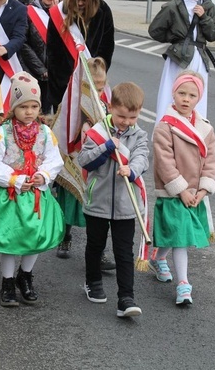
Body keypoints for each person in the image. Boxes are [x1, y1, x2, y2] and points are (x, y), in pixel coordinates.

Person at [0, 72, 65, 307]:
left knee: (34, 237)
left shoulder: (45, 132)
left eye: (34, 106)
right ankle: (7, 281)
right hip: (10, 196)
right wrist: (13, 179)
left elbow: (54, 159)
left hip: (34, 194)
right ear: (14, 107)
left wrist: (42, 174)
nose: (30, 111)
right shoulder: (2, 133)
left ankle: (26, 275)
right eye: (24, 106)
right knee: (11, 239)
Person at [78, 82, 149, 317]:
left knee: (123, 251)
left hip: (126, 204)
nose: (126, 122)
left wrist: (132, 170)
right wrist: (106, 148)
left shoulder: (139, 135)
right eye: (121, 116)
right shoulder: (98, 132)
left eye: (132, 117)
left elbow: (141, 158)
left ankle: (126, 298)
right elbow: (85, 160)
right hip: (97, 200)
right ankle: (93, 281)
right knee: (95, 245)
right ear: (110, 108)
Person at [150, 71, 215, 306]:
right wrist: (181, 189)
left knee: (177, 234)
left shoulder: (206, 128)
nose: (186, 99)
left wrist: (203, 189)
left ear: (199, 98)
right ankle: (184, 284)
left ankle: (158, 257)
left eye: (192, 95)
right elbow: (164, 162)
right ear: (173, 93)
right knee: (180, 238)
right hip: (173, 192)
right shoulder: (164, 127)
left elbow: (211, 161)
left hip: (194, 193)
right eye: (182, 93)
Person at [56, 56, 116, 272]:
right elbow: (67, 130)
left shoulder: (106, 103)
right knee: (71, 204)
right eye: (95, 85)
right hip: (76, 159)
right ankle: (64, 237)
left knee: (97, 208)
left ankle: (98, 252)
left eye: (103, 85)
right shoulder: (74, 102)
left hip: (98, 161)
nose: (99, 90)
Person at [148, 0, 215, 123]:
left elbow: (214, 34)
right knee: (171, 95)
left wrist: (204, 18)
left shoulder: (207, 6)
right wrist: (175, 39)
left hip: (199, 59)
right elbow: (154, 30)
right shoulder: (173, 6)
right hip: (178, 58)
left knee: (196, 97)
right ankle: (166, 133)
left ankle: (196, 135)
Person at [46, 0, 115, 109]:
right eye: (77, 0)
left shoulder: (103, 11)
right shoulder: (60, 12)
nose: (80, 3)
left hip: (91, 81)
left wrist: (98, 74)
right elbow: (52, 51)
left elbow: (107, 47)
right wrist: (61, 82)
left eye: (85, 0)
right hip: (64, 84)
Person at [19, 0, 59, 114]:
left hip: (55, 72)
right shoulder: (28, 11)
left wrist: (58, 16)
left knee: (50, 114)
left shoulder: (63, 14)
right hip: (33, 71)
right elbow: (23, 44)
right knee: (34, 112)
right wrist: (41, 69)